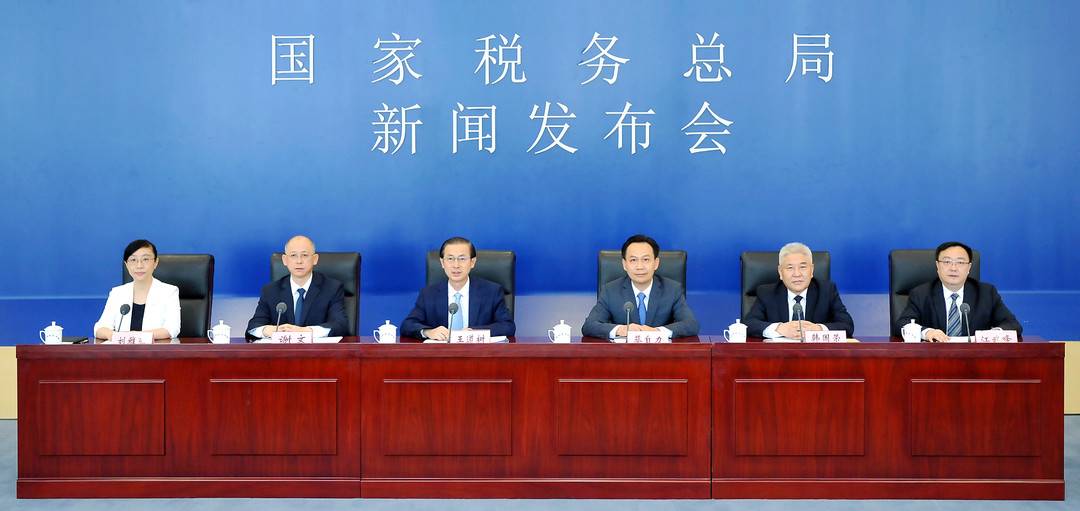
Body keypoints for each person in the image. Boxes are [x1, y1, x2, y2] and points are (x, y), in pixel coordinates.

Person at [896, 241, 1021, 342]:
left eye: (960, 262)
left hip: (975, 359)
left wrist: (990, 335)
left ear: (969, 267)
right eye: (947, 262)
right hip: (934, 359)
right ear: (937, 266)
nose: (953, 268)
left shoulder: (986, 293)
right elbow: (901, 324)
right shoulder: (921, 294)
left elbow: (1013, 325)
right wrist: (927, 332)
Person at [582, 234, 699, 339]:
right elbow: (589, 326)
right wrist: (621, 329)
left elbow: (691, 324)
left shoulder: (672, 289)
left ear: (656, 263)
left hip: (661, 353)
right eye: (633, 260)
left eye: (646, 259)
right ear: (624, 264)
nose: (640, 267)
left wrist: (657, 332)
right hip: (624, 354)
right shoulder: (610, 290)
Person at [401, 237, 515, 340]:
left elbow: (508, 326)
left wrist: (475, 332)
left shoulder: (492, 291)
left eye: (462, 259)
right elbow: (407, 325)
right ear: (442, 262)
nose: (456, 265)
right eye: (450, 259)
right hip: (441, 354)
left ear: (472, 262)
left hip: (478, 353)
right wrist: (428, 332)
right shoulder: (428, 294)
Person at [743, 242, 855, 339]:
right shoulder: (767, 293)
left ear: (812, 270)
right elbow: (749, 324)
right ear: (780, 272)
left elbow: (847, 325)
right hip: (779, 355)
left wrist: (818, 329)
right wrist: (779, 328)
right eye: (790, 268)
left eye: (803, 267)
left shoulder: (826, 291)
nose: (797, 274)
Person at [246, 235, 348, 339]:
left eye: (304, 255)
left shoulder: (332, 288)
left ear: (315, 259)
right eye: (293, 255)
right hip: (283, 349)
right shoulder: (270, 291)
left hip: (317, 349)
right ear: (285, 260)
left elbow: (340, 325)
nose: (299, 261)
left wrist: (305, 331)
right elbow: (252, 328)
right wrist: (268, 330)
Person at [94, 239, 181, 339]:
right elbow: (99, 328)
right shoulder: (117, 293)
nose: (139, 266)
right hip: (124, 348)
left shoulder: (169, 292)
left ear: (155, 262)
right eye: (133, 260)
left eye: (145, 259)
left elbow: (172, 329)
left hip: (155, 348)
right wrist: (116, 336)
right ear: (126, 265)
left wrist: (135, 336)